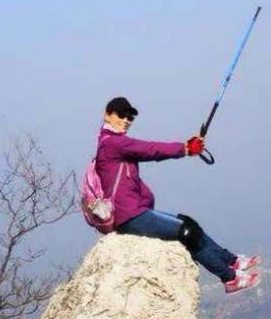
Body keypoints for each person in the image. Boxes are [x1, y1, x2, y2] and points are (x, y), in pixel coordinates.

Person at [95, 95, 260, 294]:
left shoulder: (115, 144)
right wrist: (185, 148)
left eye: (130, 117)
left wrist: (187, 147)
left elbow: (133, 177)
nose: (126, 120)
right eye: (121, 115)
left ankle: (232, 261)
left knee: (189, 223)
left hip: (137, 212)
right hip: (130, 216)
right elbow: (150, 149)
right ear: (107, 115)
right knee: (186, 232)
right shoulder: (112, 143)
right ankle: (230, 278)